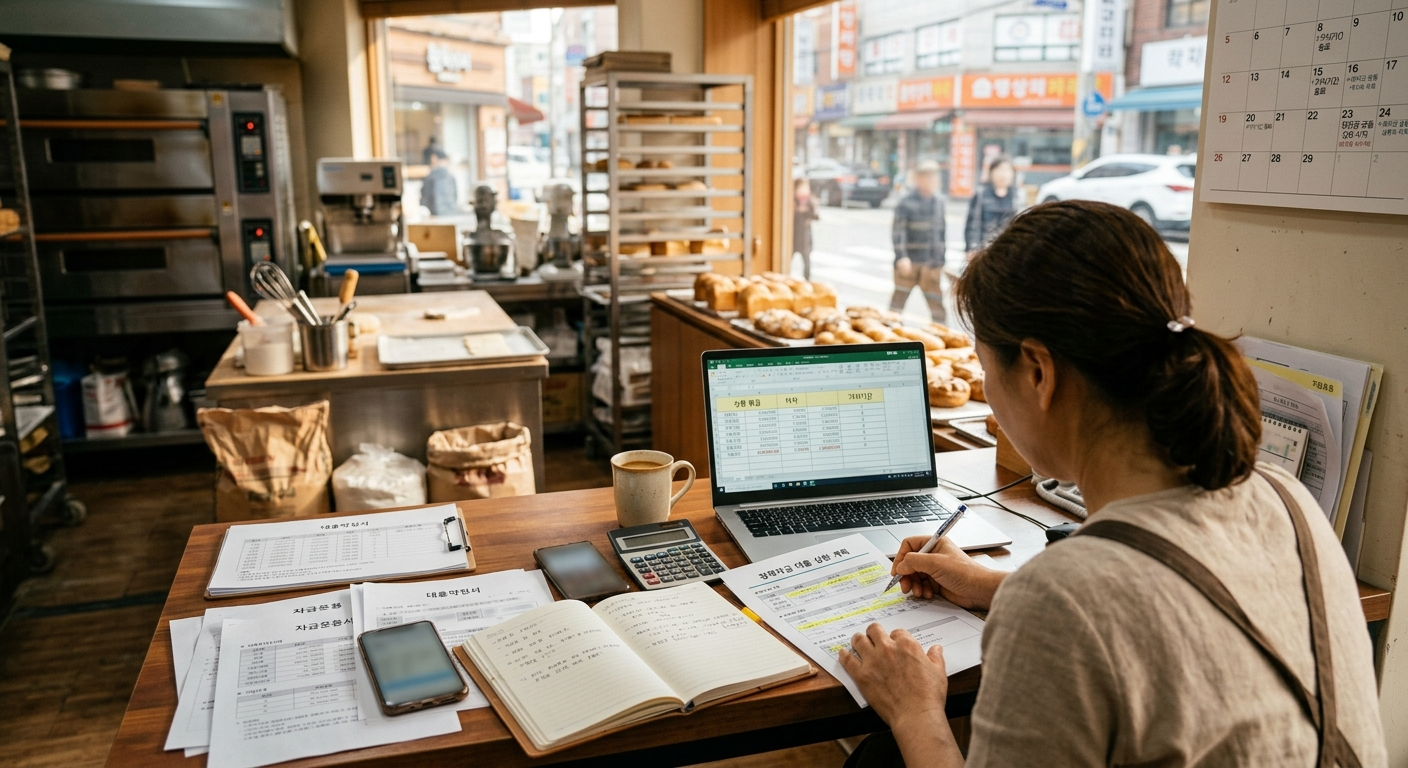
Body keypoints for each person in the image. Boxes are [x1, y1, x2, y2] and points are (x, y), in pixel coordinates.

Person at [838, 200, 1387, 768]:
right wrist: (989, 585)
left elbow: (1095, 608)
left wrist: (915, 710)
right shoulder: (1284, 497)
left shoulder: (1060, 600)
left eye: (985, 366)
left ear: (1038, 372)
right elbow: (1160, 608)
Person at [890, 160, 947, 321]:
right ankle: (888, 333)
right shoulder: (906, 201)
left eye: (934, 177)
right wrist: (901, 256)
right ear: (919, 179)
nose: (932, 181)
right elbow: (898, 231)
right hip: (909, 263)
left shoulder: (938, 202)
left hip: (931, 264)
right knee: (897, 306)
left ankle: (940, 334)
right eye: (928, 177)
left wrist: (941, 260)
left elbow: (941, 232)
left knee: (937, 308)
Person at [963, 156, 1017, 254]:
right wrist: (972, 248)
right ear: (991, 172)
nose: (1003, 174)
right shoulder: (981, 194)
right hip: (985, 249)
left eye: (1007, 170)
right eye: (999, 170)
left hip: (1010, 250)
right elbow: (973, 224)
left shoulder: (1017, 196)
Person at [793, 177, 820, 280]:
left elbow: (816, 216)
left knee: (806, 260)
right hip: (794, 235)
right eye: (801, 187)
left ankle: (807, 279)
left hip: (805, 236)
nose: (803, 190)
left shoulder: (810, 201)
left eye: (806, 187)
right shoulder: (792, 200)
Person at [420, 148, 458, 217]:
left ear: (433, 158)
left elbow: (425, 199)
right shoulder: (450, 176)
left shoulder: (431, 177)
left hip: (435, 215)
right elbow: (455, 197)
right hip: (451, 214)